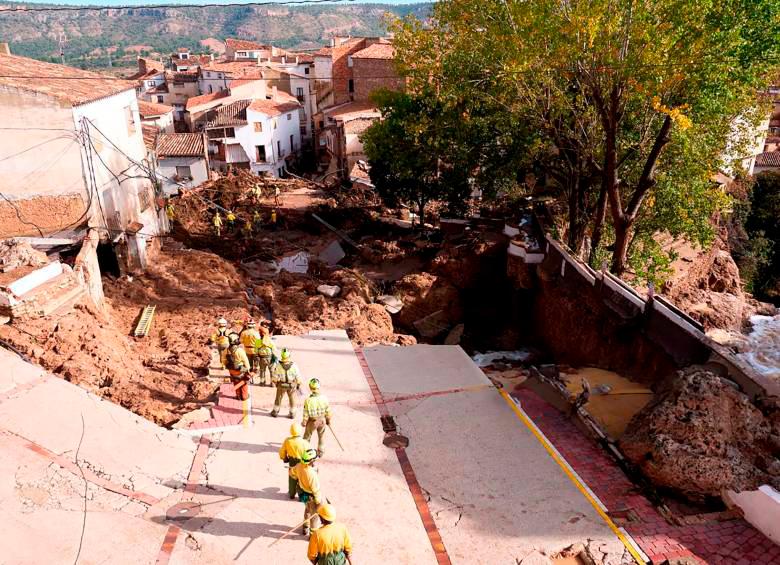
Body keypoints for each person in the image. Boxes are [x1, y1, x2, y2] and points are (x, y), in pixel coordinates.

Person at [293, 448, 323, 536]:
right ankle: (312, 534)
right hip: (311, 496)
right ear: (311, 461)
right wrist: (318, 501)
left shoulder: (298, 465)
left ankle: (305, 527)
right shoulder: (311, 474)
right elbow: (316, 490)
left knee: (307, 510)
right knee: (314, 516)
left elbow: (292, 472)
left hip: (303, 493)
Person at [279, 423, 311, 499]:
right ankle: (302, 497)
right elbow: (310, 454)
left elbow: (282, 451)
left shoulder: (287, 441)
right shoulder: (305, 442)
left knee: (292, 477)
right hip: (302, 462)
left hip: (292, 462)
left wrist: (284, 458)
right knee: (302, 479)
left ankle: (291, 494)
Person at [302, 378, 331, 458]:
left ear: (310, 388)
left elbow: (306, 413)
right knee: (321, 436)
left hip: (312, 421)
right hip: (322, 420)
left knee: (307, 436)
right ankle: (321, 451)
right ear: (319, 387)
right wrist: (328, 420)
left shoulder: (308, 400)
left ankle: (305, 451)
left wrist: (304, 422)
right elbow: (328, 411)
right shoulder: (324, 398)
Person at [271, 348, 301, 418]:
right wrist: (298, 383)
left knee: (278, 398)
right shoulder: (294, 366)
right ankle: (292, 413)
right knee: (292, 399)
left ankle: (275, 411)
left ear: (282, 356)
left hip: (281, 384)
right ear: (289, 356)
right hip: (291, 385)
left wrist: (275, 382)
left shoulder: (278, 365)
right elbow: (298, 376)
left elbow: (275, 376)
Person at [226, 332, 251, 401]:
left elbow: (224, 360)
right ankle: (244, 397)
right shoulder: (239, 350)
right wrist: (248, 370)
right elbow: (245, 361)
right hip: (239, 370)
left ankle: (238, 396)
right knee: (243, 383)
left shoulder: (227, 350)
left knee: (236, 382)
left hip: (231, 370)